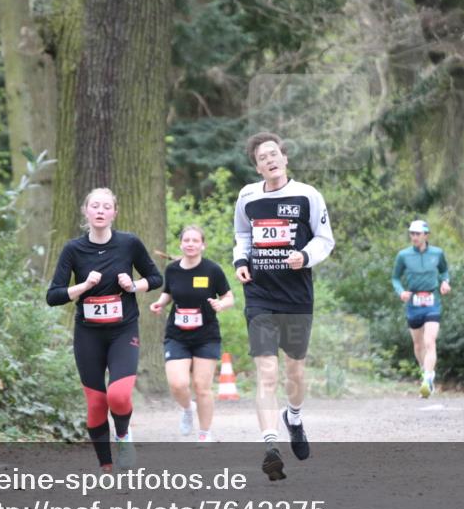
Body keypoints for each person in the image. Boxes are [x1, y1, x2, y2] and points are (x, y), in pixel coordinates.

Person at [233, 132, 335, 480]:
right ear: (257, 167)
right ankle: (271, 447)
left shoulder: (308, 195)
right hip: (259, 294)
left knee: (295, 373)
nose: (270, 160)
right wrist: (240, 261)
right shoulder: (248, 196)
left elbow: (325, 239)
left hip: (296, 297)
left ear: (285, 158)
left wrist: (304, 256)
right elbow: (242, 235)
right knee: (266, 373)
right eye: (262, 157)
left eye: (274, 154)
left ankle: (294, 416)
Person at [46, 188, 162, 471]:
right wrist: (83, 286)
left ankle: (122, 436)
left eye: (106, 206)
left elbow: (155, 278)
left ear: (114, 212)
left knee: (118, 396)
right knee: (97, 403)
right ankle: (106, 467)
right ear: (86, 211)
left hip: (123, 330)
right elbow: (53, 296)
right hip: (88, 334)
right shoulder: (73, 249)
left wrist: (133, 286)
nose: (100, 211)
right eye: (95, 206)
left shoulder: (129, 243)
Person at [149, 225, 235, 442]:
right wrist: (159, 303)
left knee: (202, 386)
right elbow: (168, 293)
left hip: (206, 336)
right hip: (177, 335)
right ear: (181, 244)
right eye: (186, 240)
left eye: (195, 241)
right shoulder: (172, 269)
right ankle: (188, 409)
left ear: (202, 245)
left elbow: (229, 297)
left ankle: (204, 433)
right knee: (178, 384)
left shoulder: (212, 270)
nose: (190, 244)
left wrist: (221, 304)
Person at [391, 219, 451, 398]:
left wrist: (445, 282)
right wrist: (401, 292)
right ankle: (425, 372)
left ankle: (428, 379)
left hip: (432, 301)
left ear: (426, 235)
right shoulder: (403, 255)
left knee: (429, 341)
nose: (414, 237)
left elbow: (444, 271)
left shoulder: (437, 253)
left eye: (417, 234)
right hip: (413, 303)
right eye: (412, 233)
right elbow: (395, 278)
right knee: (418, 345)